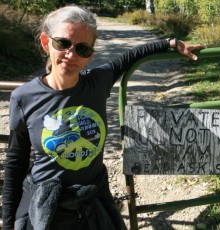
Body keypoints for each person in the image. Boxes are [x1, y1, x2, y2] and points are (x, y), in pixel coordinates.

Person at [2, 5, 204, 230]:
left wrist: (172, 43)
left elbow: (131, 56)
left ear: (90, 55)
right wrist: (8, 223)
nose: (71, 54)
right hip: (47, 206)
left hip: (93, 200)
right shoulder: (24, 97)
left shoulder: (98, 82)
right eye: (63, 43)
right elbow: (15, 163)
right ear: (45, 42)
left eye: (82, 49)